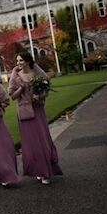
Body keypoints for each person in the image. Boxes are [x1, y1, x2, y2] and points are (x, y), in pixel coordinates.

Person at [8, 52, 63, 185]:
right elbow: (12, 96)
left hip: (38, 110)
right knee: (31, 143)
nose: (18, 63)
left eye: (21, 60)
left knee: (42, 140)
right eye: (17, 61)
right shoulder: (15, 75)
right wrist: (21, 88)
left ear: (27, 61)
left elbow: (46, 86)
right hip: (24, 112)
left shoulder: (37, 72)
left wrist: (41, 96)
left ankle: (46, 170)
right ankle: (39, 171)